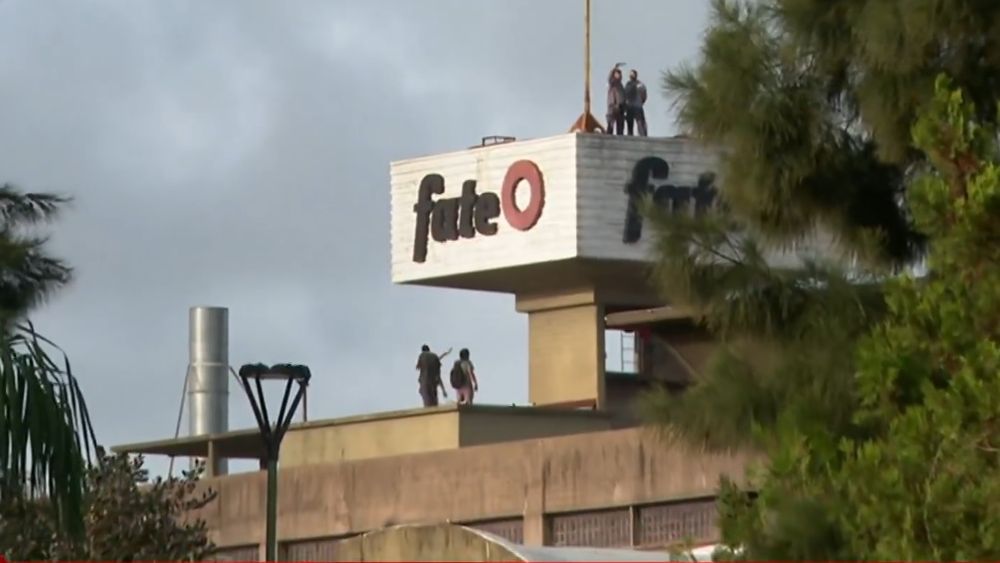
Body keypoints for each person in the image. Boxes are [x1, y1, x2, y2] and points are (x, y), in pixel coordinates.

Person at [624, 69, 648, 137]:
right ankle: (630, 135)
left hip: (637, 106)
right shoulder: (628, 84)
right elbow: (625, 95)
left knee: (640, 122)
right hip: (630, 106)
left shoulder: (640, 84)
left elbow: (644, 95)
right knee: (630, 122)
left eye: (633, 74)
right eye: (630, 74)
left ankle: (642, 136)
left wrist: (641, 102)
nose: (631, 75)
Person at [606, 64, 626, 135]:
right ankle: (608, 137)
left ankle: (620, 138)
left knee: (620, 124)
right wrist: (614, 68)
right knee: (611, 124)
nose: (618, 75)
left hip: (620, 107)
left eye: (619, 74)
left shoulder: (621, 85)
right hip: (613, 106)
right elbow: (609, 78)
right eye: (617, 74)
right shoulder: (612, 83)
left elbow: (624, 96)